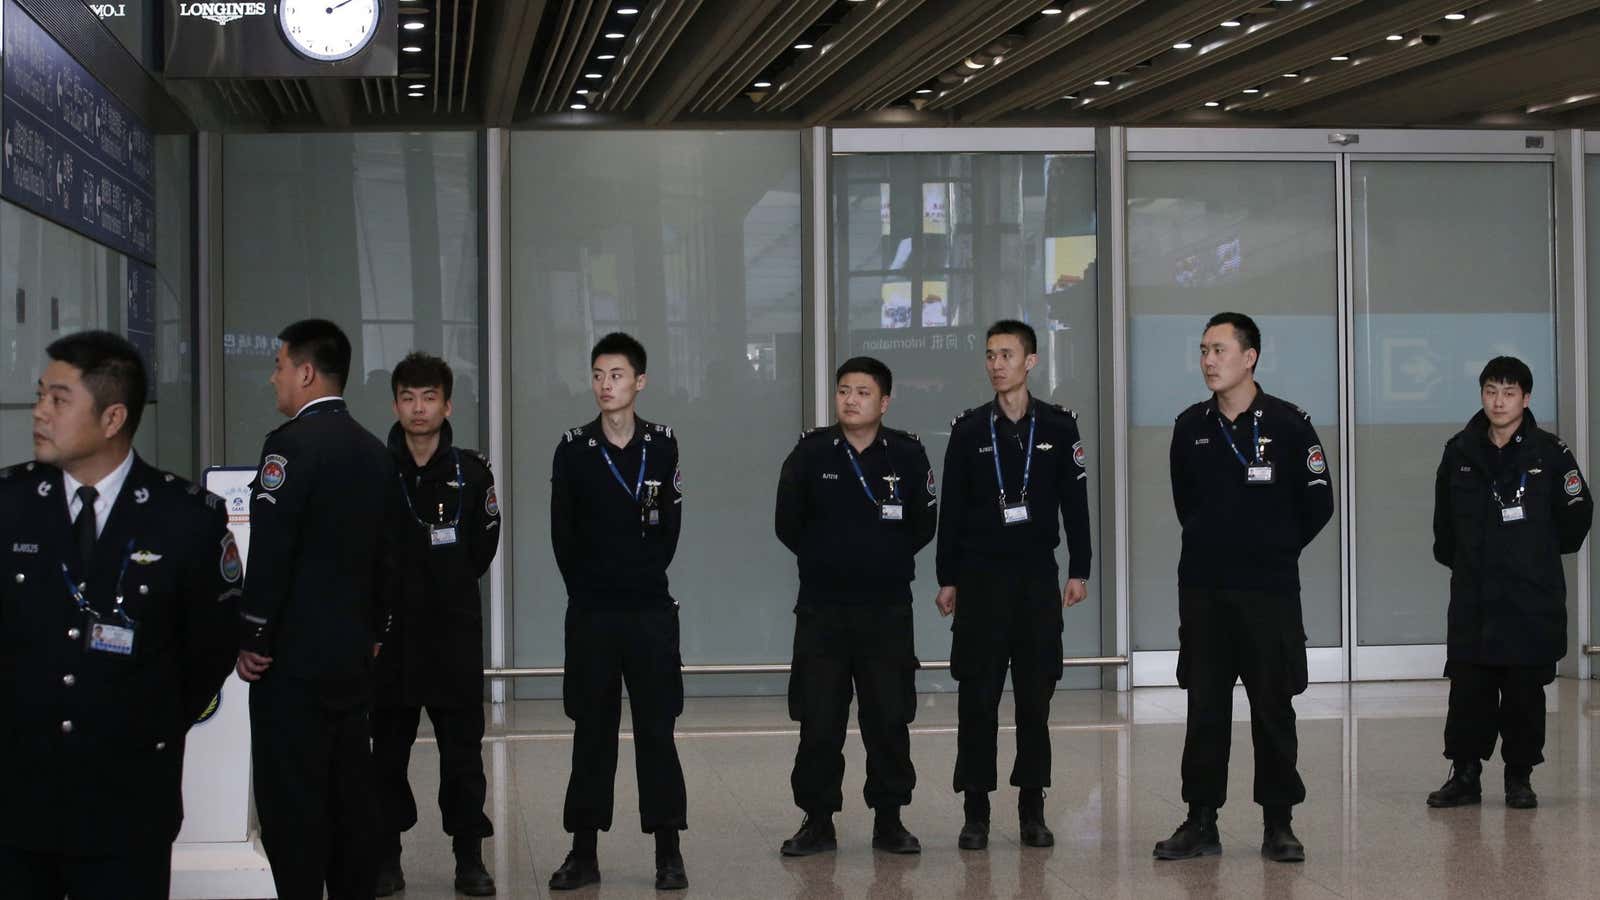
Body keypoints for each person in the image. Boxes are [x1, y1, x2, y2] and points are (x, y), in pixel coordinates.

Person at [0, 330, 238, 899]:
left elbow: (211, 649)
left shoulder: (186, 519)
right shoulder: (8, 505)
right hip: (15, 800)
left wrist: (141, 718)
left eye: (59, 399)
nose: (39, 412)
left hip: (127, 802)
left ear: (112, 419)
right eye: (40, 395)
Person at [1153, 312, 1332, 864]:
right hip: (1205, 592)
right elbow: (1186, 503)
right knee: (1205, 707)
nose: (1208, 360)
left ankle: (1279, 822)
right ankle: (1200, 820)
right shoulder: (1191, 426)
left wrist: (1273, 548)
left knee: (1272, 708)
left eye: (1219, 350)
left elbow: (1318, 502)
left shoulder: (1289, 423)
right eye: (1203, 350)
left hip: (1269, 593)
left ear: (1249, 357)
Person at [236, 319, 396, 900]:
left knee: (292, 801)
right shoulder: (375, 451)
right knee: (349, 794)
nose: (274, 377)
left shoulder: (288, 446)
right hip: (352, 659)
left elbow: (272, 553)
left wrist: (253, 636)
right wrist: (376, 628)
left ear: (305, 372)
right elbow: (388, 555)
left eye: (279, 365)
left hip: (291, 665)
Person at [935, 319, 1092, 851]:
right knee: (977, 697)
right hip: (979, 578)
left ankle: (1032, 806)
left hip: (1034, 577)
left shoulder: (1058, 427)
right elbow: (950, 511)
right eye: (989, 355)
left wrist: (1080, 568)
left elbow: (1076, 503)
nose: (995, 363)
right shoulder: (970, 429)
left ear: (1031, 361)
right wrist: (946, 578)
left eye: (1006, 354)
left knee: (1034, 698)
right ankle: (975, 808)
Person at [774, 356, 937, 858]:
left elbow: (923, 526)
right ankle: (817, 819)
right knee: (819, 719)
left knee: (888, 717)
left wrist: (878, 559)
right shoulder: (811, 452)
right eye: (844, 390)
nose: (851, 399)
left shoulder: (907, 456)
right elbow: (787, 524)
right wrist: (830, 559)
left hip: (886, 611)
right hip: (823, 611)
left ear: (883, 402)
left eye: (862, 392)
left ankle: (889, 818)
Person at [548, 332, 688, 891]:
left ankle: (668, 850)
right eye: (599, 375)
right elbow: (563, 536)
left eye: (618, 375)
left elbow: (670, 529)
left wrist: (639, 576)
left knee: (658, 730)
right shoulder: (573, 449)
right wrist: (591, 589)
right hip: (592, 614)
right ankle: (583, 851)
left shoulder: (663, 444)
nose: (607, 385)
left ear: (640, 382)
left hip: (650, 612)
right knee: (592, 733)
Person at [1427, 356, 1591, 810]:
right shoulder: (1459, 450)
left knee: (1523, 691)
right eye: (1491, 391)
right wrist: (1464, 562)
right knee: (1469, 689)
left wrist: (1535, 555)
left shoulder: (1550, 453)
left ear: (1526, 398)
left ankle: (1520, 777)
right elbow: (1443, 526)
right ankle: (1464, 774)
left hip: (1528, 595)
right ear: (1482, 395)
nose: (1499, 401)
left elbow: (1578, 512)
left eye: (1509, 392)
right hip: (1474, 595)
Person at [372, 353, 501, 897]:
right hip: (390, 639)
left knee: (462, 757)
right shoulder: (373, 471)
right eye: (407, 397)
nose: (418, 408)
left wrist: (442, 587)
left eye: (428, 397)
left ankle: (468, 855)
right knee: (386, 757)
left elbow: (482, 547)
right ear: (396, 403)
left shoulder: (472, 473)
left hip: (452, 635)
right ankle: (385, 856)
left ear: (447, 405)